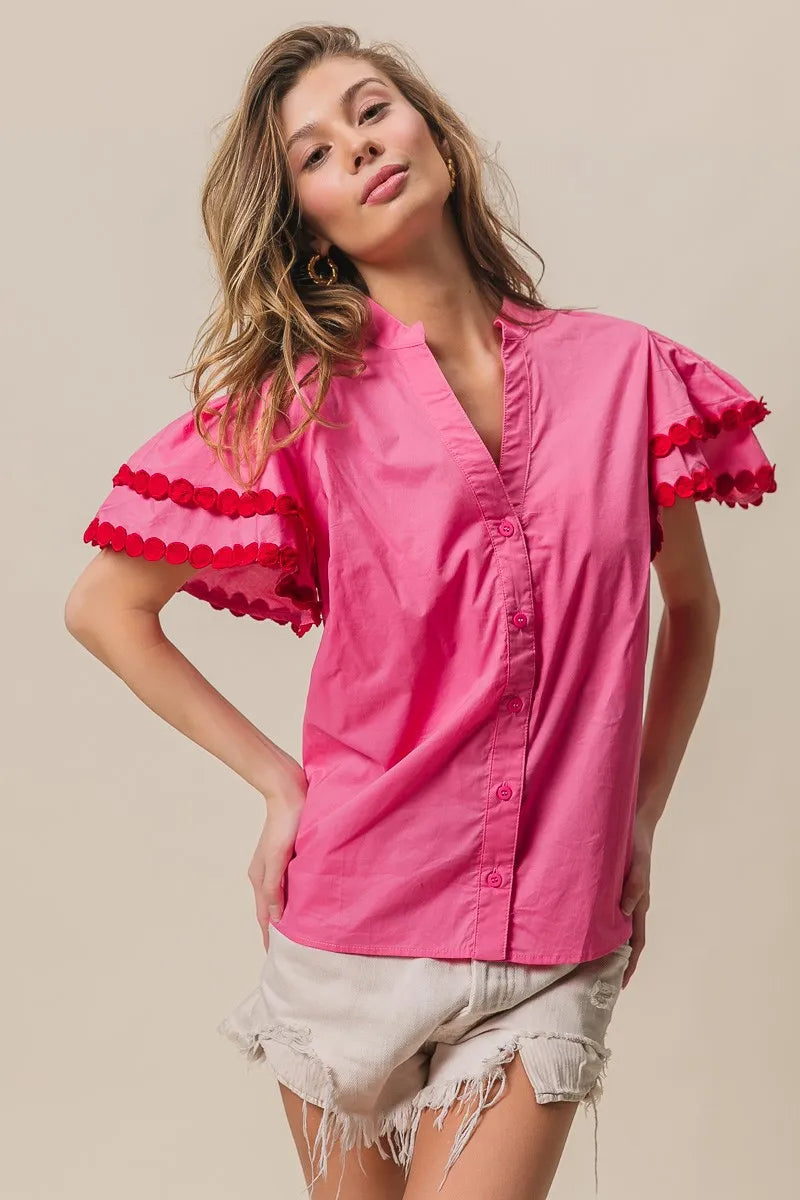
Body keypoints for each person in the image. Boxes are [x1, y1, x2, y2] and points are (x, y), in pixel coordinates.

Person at [64, 23, 778, 1200]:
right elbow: (104, 606)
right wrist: (280, 782)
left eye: (371, 108)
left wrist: (638, 812)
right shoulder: (297, 409)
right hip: (349, 933)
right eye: (315, 152)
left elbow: (689, 609)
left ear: (430, 129)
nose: (357, 144)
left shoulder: (621, 371)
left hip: (555, 925)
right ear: (305, 216)